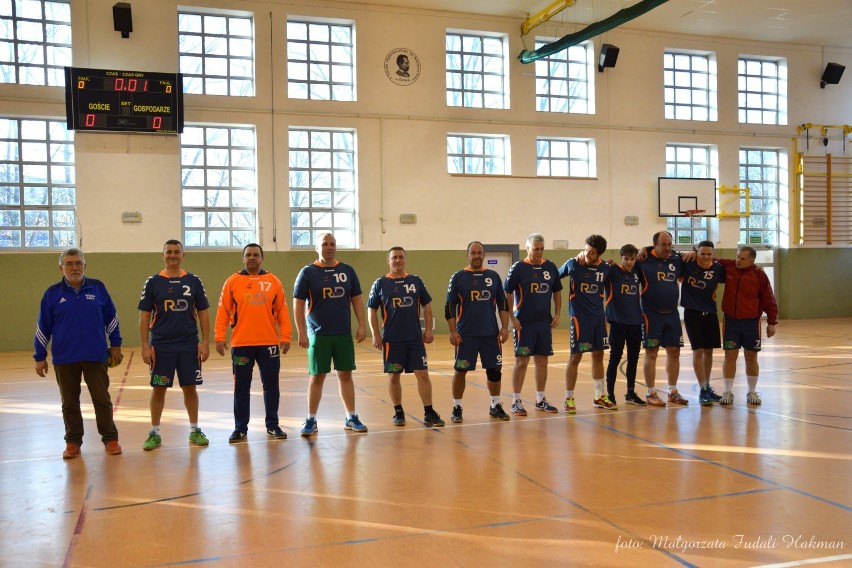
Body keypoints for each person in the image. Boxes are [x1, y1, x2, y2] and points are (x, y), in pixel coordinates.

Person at [34, 248, 123, 459]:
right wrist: (39, 357)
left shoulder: (98, 288)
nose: (74, 267)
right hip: (65, 358)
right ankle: (73, 442)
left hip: (96, 355)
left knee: (102, 399)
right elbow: (42, 327)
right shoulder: (52, 294)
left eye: (78, 263)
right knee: (69, 403)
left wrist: (116, 345)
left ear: (85, 265)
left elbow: (111, 318)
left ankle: (110, 438)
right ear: (61, 267)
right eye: (69, 263)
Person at [214, 243, 291, 443]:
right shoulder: (232, 281)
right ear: (243, 258)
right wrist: (219, 337)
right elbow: (223, 311)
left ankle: (272, 425)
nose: (252, 258)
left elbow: (282, 310)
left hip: (268, 344)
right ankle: (240, 428)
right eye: (248, 255)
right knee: (241, 387)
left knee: (271, 387)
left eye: (256, 255)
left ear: (262, 258)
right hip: (241, 344)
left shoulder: (273, 280)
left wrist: (285, 336)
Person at [138, 240, 211, 451]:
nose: (172, 255)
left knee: (190, 387)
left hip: (189, 344)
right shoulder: (152, 282)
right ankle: (155, 432)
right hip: (161, 346)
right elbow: (144, 316)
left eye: (176, 252)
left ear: (183, 255)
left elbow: (204, 313)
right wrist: (145, 346)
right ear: (163, 255)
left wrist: (205, 343)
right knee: (159, 388)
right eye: (168, 252)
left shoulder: (194, 281)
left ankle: (195, 430)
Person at [293, 232, 368, 436]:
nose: (329, 247)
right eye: (324, 244)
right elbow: (298, 304)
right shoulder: (308, 272)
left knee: (345, 375)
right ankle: (311, 420)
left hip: (342, 333)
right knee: (317, 377)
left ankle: (351, 417)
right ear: (317, 248)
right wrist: (301, 332)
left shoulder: (347, 271)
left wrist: (362, 325)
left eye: (332, 243)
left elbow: (357, 299)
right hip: (319, 334)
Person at [367, 247, 445, 427]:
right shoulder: (380, 283)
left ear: (405, 260)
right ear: (388, 261)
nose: (398, 260)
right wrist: (376, 334)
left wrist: (429, 331)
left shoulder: (415, 281)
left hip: (414, 339)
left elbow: (427, 305)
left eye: (401, 257)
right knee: (394, 376)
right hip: (392, 340)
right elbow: (372, 309)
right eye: (394, 257)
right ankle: (398, 412)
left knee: (423, 374)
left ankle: (429, 412)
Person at [445, 241, 511, 422]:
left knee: (494, 371)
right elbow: (450, 306)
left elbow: (502, 304)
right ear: (467, 255)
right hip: (466, 335)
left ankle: (495, 405)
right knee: (460, 370)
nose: (476, 256)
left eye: (479, 253)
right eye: (473, 253)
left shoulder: (493, 276)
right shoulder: (458, 277)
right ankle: (457, 406)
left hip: (490, 334)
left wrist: (505, 328)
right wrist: (452, 331)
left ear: (484, 255)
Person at [504, 233, 562, 415]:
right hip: (524, 324)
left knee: (542, 362)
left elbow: (557, 292)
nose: (539, 252)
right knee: (521, 362)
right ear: (527, 248)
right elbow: (507, 293)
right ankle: (516, 401)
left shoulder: (550, 266)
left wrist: (557, 314)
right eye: (536, 249)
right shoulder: (518, 268)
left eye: (542, 249)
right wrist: (513, 318)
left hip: (543, 323)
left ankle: (540, 399)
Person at [558, 234, 614, 413]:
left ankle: (599, 397)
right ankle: (569, 398)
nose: (587, 254)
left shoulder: (606, 268)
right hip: (579, 317)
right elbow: (553, 278)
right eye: (586, 250)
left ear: (599, 254)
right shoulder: (573, 264)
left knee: (598, 356)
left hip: (598, 317)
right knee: (576, 357)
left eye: (592, 253)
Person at [717, 246, 778, 405]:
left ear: (752, 260)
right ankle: (728, 391)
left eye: (743, 259)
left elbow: (769, 299)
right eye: (737, 257)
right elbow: (709, 258)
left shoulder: (759, 275)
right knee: (730, 356)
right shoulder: (729, 266)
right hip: (731, 322)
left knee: (751, 357)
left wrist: (771, 322)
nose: (738, 260)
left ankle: (752, 392)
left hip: (751, 323)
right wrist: (694, 254)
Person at [636, 231, 687, 407]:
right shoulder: (643, 260)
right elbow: (625, 262)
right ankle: (651, 392)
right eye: (663, 245)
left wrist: (694, 253)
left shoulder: (677, 259)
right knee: (652, 352)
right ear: (654, 245)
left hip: (672, 314)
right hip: (651, 314)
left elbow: (696, 261)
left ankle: (673, 391)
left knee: (674, 352)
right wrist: (644, 249)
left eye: (669, 244)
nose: (667, 248)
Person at [680, 240, 726, 405]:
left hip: (711, 313)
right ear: (697, 253)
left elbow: (735, 266)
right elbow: (667, 253)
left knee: (709, 351)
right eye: (702, 253)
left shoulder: (718, 268)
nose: (705, 257)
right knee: (697, 351)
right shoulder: (688, 263)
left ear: (713, 254)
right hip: (693, 313)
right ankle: (702, 390)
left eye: (709, 254)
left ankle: (707, 386)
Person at [604, 244, 646, 406]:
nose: (629, 262)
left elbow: (649, 252)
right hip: (618, 323)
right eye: (626, 259)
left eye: (632, 259)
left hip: (635, 323)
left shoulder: (637, 271)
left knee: (633, 359)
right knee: (615, 358)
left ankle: (630, 392)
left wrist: (644, 250)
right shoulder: (612, 270)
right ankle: (610, 394)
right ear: (621, 258)